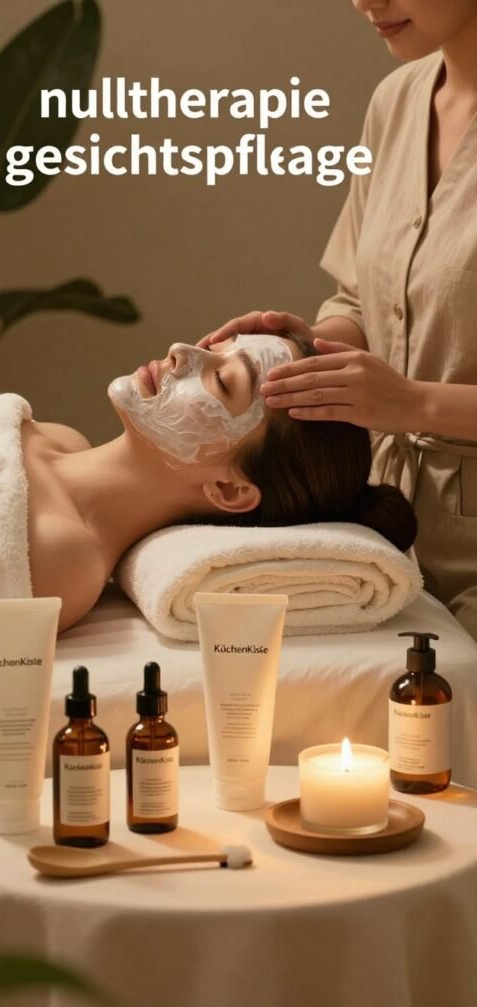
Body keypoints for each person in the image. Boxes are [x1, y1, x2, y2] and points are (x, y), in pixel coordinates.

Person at [199, 0, 477, 640]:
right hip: (387, 540)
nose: (366, 2)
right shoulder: (397, 101)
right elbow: (356, 298)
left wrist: (412, 404)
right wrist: (305, 351)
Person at [25, 333, 416, 632]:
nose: (181, 350)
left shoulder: (65, 559)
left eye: (223, 380)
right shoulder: (60, 437)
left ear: (231, 490)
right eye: (218, 345)